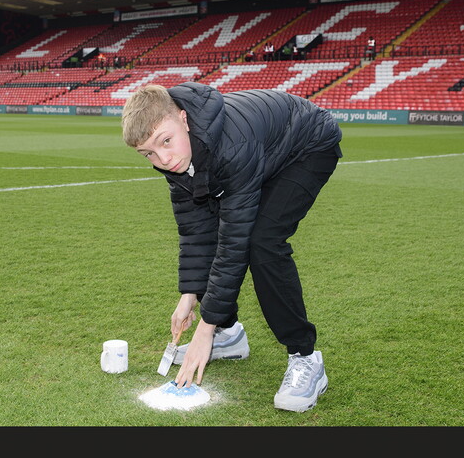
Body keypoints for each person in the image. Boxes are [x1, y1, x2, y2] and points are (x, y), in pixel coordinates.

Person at [121, 82, 342, 412]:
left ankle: (305, 357)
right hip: (263, 150)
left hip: (307, 144)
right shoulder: (178, 157)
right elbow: (196, 231)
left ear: (184, 119)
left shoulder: (232, 146)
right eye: (148, 153)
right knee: (214, 223)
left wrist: (204, 328)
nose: (163, 159)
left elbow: (234, 242)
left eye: (165, 141)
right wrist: (189, 295)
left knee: (262, 241)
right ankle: (230, 335)